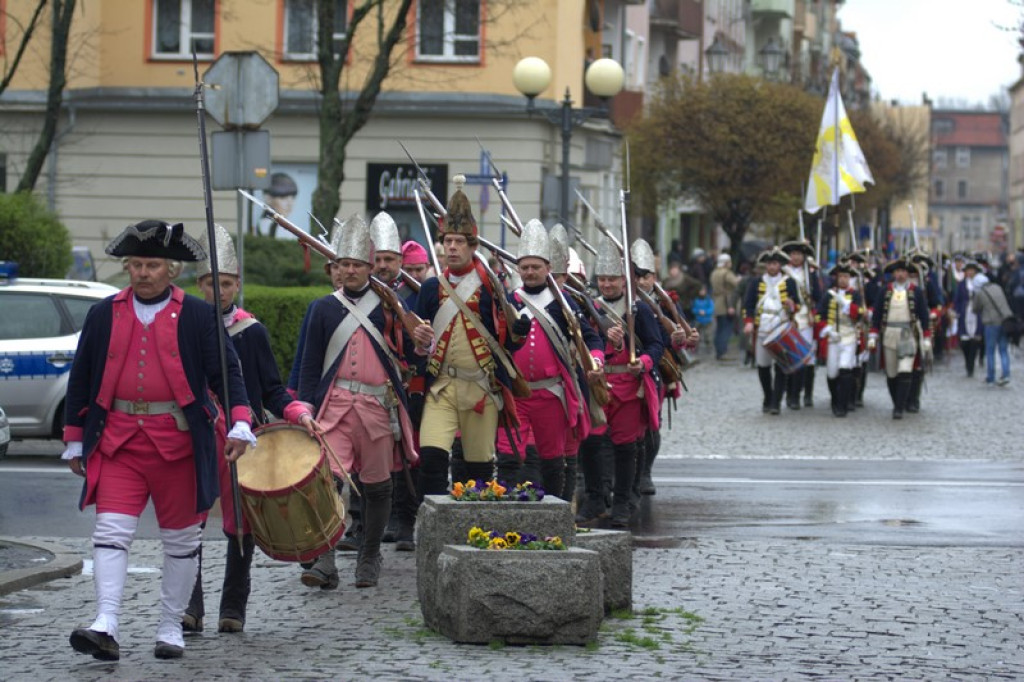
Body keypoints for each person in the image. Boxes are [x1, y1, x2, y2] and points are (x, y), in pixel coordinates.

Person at [63, 220, 257, 661]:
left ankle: (171, 626)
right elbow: (82, 377)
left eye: (152, 265)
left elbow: (227, 374)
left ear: (171, 270)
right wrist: (75, 438)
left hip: (181, 445)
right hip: (117, 442)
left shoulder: (198, 316)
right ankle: (106, 622)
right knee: (110, 532)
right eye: (136, 265)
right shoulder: (103, 313)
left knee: (182, 541)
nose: (143, 273)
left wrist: (240, 422)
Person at [183, 224, 319, 634]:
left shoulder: (251, 331)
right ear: (200, 285)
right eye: (212, 283)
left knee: (240, 524)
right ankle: (189, 605)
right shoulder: (185, 327)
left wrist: (297, 412)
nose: (219, 291)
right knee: (187, 522)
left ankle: (233, 607)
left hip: (242, 439)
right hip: (195, 435)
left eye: (226, 283)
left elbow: (272, 389)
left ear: (237, 285)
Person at [297, 213, 434, 589]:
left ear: (370, 267)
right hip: (334, 407)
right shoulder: (322, 308)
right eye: (343, 264)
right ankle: (325, 559)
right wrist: (304, 407)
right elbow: (309, 365)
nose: (349, 271)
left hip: (376, 408)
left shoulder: (392, 306)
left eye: (357, 264)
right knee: (326, 481)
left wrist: (423, 341)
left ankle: (370, 554)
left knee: (377, 486)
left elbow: (412, 355)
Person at [415, 175, 529, 494]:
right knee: (431, 458)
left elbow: (507, 340)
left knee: (479, 468)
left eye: (459, 241)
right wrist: (419, 339)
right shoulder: (431, 288)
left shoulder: (491, 287)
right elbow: (416, 337)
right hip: (442, 387)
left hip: (480, 386)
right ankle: (433, 519)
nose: (451, 247)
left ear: (473, 246)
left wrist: (520, 331)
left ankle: (475, 522)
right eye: (447, 241)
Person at [495, 220, 604, 497]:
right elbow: (498, 344)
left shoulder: (564, 303)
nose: (530, 272)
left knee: (552, 461)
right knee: (508, 457)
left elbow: (591, 339)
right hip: (516, 395)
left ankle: (554, 512)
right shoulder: (510, 301)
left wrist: (596, 361)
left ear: (548, 268)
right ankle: (505, 513)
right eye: (525, 267)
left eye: (536, 267)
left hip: (551, 395)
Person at [577, 235, 663, 528]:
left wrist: (644, 363)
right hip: (599, 385)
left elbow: (656, 345)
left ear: (623, 280)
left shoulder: (639, 309)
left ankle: (623, 503)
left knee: (626, 448)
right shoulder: (590, 308)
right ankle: (595, 498)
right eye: (602, 279)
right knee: (591, 443)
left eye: (612, 279)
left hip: (628, 385)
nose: (607, 284)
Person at [370, 212, 422, 552]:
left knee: (409, 455)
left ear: (400, 262)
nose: (383, 265)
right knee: (377, 456)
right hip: (375, 386)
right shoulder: (363, 294)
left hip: (410, 386)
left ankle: (406, 520)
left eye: (389, 259)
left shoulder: (414, 295)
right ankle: (381, 519)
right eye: (378, 259)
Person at [868, 257, 931, 419]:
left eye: (903, 271)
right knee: (891, 373)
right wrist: (873, 334)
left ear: (908, 274)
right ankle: (896, 401)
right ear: (893, 274)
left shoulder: (916, 291)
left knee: (905, 370)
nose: (901, 274)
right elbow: (876, 314)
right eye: (898, 271)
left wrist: (926, 337)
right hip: (889, 334)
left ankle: (899, 407)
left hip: (908, 334)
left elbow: (924, 316)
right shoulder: (885, 291)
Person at [743, 247, 800, 415]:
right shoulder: (756, 282)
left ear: (780, 265)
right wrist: (749, 322)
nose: (772, 267)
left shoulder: (789, 282)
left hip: (781, 326)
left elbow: (797, 304)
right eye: (769, 264)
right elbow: (748, 305)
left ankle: (776, 401)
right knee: (763, 365)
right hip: (762, 327)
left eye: (775, 263)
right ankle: (768, 396)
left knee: (781, 365)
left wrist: (792, 305)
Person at [818, 263, 864, 417]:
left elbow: (860, 314)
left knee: (845, 368)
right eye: (841, 276)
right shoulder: (828, 295)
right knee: (832, 373)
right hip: (833, 337)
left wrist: (846, 304)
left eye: (846, 276)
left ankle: (842, 405)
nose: (843, 279)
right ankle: (835, 399)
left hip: (849, 335)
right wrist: (827, 329)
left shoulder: (855, 295)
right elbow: (819, 315)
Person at [780, 240, 822, 409]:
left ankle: (807, 394)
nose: (796, 257)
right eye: (793, 254)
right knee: (791, 357)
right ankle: (792, 394)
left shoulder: (810, 274)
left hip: (806, 318)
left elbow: (818, 296)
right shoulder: (784, 273)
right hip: (789, 317)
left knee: (807, 358)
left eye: (799, 254)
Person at [972, 271, 1013, 386]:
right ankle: (1006, 375)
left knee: (990, 351)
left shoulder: (980, 293)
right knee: (1003, 350)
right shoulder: (997, 287)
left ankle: (991, 377)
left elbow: (975, 309)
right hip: (1004, 322)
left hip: (991, 323)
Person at [953, 260, 985, 378]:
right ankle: (967, 361)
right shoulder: (962, 284)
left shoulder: (980, 284)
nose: (970, 272)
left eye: (972, 270)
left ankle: (971, 364)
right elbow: (957, 299)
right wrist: (957, 311)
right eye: (968, 270)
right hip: (965, 313)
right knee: (965, 341)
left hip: (977, 314)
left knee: (975, 340)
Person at [710, 253, 740, 360]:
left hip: (717, 302)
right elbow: (735, 283)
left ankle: (719, 351)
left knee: (719, 328)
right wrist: (739, 279)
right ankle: (723, 352)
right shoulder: (726, 273)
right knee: (726, 329)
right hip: (726, 303)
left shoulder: (714, 272)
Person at [258, 172, 298, 238]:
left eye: (292, 198)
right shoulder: (276, 227)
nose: (290, 204)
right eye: (283, 198)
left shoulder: (262, 223)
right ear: (268, 198)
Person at [692, 286, 714, 353]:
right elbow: (693, 309)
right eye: (701, 291)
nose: (702, 292)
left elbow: (711, 308)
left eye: (703, 291)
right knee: (696, 335)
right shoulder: (696, 300)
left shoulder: (708, 300)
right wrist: (698, 311)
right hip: (698, 320)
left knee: (708, 335)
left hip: (707, 320)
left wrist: (705, 312)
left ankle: (709, 348)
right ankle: (695, 348)